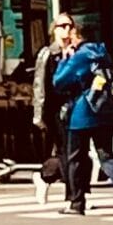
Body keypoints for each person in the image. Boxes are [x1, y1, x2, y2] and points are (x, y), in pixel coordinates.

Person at [55, 33, 113, 217]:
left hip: (82, 113)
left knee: (76, 157)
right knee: (106, 155)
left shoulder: (81, 56)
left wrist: (64, 60)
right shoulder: (104, 54)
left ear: (78, 37)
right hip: (106, 112)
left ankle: (77, 202)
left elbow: (59, 81)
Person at [32, 16, 79, 188]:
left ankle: (50, 178)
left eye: (69, 25)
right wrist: (38, 114)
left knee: (73, 150)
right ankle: (66, 188)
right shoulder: (48, 54)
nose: (66, 29)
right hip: (56, 108)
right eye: (62, 25)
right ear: (54, 30)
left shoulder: (77, 51)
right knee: (64, 149)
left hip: (75, 106)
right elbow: (39, 84)